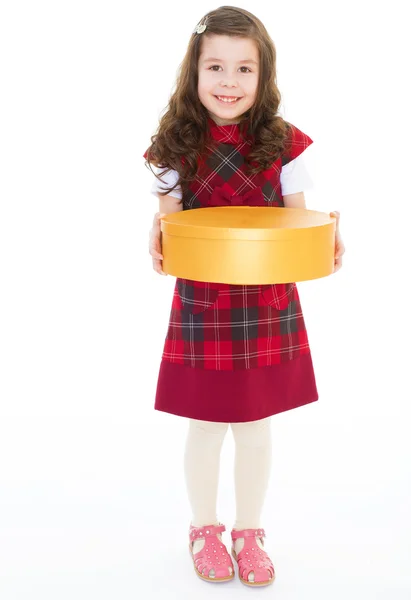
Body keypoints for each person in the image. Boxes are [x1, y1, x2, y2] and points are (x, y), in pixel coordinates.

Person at [143, 6, 345, 587]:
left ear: (264, 76)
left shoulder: (286, 144)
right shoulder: (171, 147)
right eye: (215, 67)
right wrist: (154, 237)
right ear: (194, 71)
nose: (228, 83)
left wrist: (328, 239)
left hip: (267, 303)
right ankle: (203, 528)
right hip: (204, 303)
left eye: (243, 69)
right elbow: (170, 233)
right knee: (206, 424)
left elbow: (298, 226)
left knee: (256, 424)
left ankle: (249, 531)